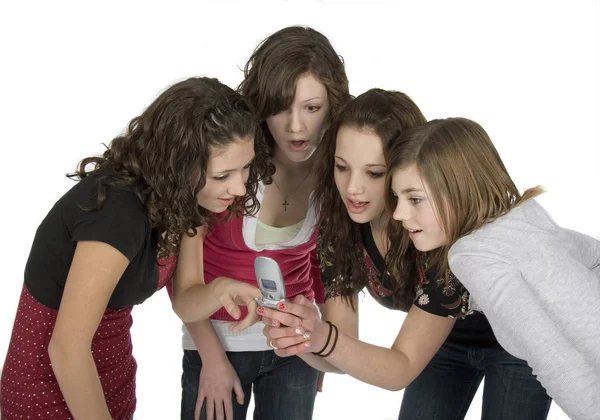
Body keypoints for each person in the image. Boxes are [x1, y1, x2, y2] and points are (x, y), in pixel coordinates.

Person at [260, 90, 552, 420]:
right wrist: (300, 336)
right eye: (342, 167)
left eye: (374, 173)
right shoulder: (340, 228)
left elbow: (399, 370)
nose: (353, 189)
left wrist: (322, 339)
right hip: (441, 344)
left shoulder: (446, 234)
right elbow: (339, 349)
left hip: (516, 344)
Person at [0, 76, 270, 420]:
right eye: (223, 175)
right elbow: (66, 348)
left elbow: (186, 300)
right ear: (179, 163)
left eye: (245, 167)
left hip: (111, 371)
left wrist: (219, 290)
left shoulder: (186, 197)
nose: (239, 186)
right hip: (53, 383)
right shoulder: (117, 211)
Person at [179, 26, 351, 420]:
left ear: (333, 105)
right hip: (217, 345)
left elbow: (323, 268)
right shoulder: (229, 163)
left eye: (311, 108)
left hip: (295, 353)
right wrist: (211, 357)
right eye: (281, 107)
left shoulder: (338, 172)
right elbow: (184, 280)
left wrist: (323, 347)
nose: (296, 126)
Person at [388, 117, 600, 420]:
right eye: (397, 198)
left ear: (458, 189)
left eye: (415, 199)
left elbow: (555, 362)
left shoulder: (469, 254)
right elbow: (593, 256)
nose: (398, 213)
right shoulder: (521, 216)